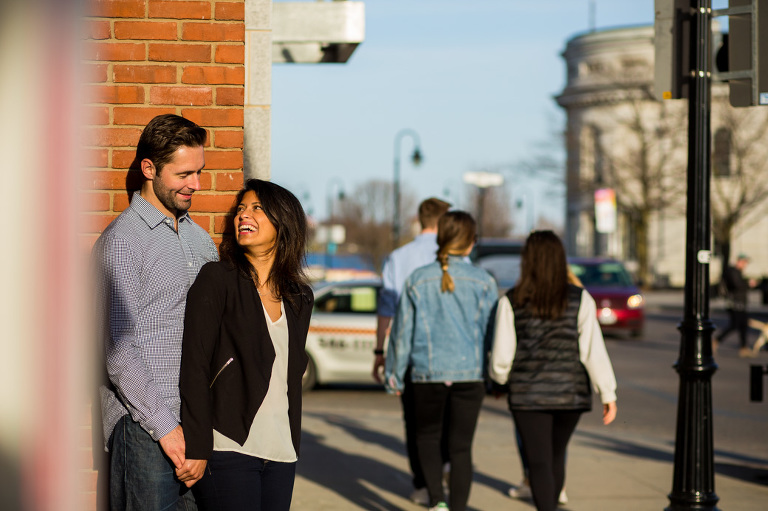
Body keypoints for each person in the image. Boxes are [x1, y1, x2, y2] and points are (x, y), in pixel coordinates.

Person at [92, 114, 218, 510]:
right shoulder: (123, 240)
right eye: (184, 174)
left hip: (195, 426)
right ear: (149, 168)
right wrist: (167, 429)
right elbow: (118, 347)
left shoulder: (201, 241)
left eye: (198, 172)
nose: (195, 184)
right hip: (144, 427)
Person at [178, 179, 314, 510]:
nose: (243, 215)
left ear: (284, 223)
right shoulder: (218, 279)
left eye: (256, 208)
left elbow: (291, 371)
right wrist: (198, 445)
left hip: (281, 450)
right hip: (227, 447)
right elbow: (195, 364)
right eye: (241, 209)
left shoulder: (299, 298)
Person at [489, 230, 617, 511]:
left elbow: (501, 357)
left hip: (527, 395)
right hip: (570, 395)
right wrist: (607, 392)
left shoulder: (510, 301)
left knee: (538, 461)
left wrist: (499, 382)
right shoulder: (580, 299)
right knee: (556, 456)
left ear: (527, 261)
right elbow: (592, 350)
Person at [385, 211, 498, 511]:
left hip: (425, 375)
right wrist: (494, 374)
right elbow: (492, 334)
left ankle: (437, 501)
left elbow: (402, 334)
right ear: (472, 243)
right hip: (470, 376)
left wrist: (394, 374)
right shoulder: (485, 282)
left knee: (427, 438)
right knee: (461, 448)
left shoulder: (417, 280)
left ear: (440, 239)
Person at [372, 197, 451, 504]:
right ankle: (443, 467)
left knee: (416, 422)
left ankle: (423, 482)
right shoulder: (456, 257)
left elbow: (386, 308)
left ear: (421, 219)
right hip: (448, 351)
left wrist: (380, 352)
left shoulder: (399, 257)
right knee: (447, 419)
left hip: (409, 351)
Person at [715, 254, 757, 357]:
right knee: (734, 325)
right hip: (734, 303)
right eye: (745, 262)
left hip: (740, 303)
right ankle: (716, 340)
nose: (745, 265)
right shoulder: (733, 272)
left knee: (743, 325)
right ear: (740, 261)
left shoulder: (738, 272)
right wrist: (748, 283)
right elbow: (736, 285)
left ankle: (744, 348)